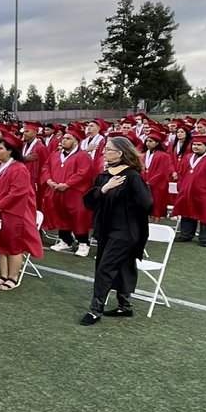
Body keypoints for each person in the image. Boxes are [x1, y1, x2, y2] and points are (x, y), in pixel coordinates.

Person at [80, 136, 153, 325]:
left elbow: (147, 203)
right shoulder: (105, 176)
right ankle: (125, 306)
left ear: (120, 153)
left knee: (105, 267)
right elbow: (89, 201)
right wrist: (104, 189)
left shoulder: (131, 176)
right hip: (107, 229)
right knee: (122, 266)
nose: (104, 152)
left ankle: (95, 310)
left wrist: (127, 208)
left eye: (108, 149)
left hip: (126, 231)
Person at [0, 133, 43, 290]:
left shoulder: (19, 168)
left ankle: (13, 277)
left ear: (10, 151)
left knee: (13, 245)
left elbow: (16, 193)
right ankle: (3, 275)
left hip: (13, 214)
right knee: (0, 245)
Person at [43, 126, 94, 257]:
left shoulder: (83, 156)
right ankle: (65, 240)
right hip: (56, 190)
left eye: (68, 138)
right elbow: (46, 168)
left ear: (76, 141)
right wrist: (49, 181)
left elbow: (83, 173)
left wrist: (67, 184)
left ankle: (83, 243)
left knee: (78, 217)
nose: (63, 140)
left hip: (75, 193)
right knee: (60, 214)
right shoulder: (55, 155)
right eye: (63, 138)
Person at [140, 131, 176, 222]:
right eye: (147, 141)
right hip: (145, 184)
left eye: (151, 141)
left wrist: (150, 182)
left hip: (158, 185)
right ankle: (147, 225)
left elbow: (162, 172)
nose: (148, 143)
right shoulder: (144, 155)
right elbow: (141, 169)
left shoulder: (163, 155)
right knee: (146, 205)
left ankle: (156, 223)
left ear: (157, 143)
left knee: (156, 206)